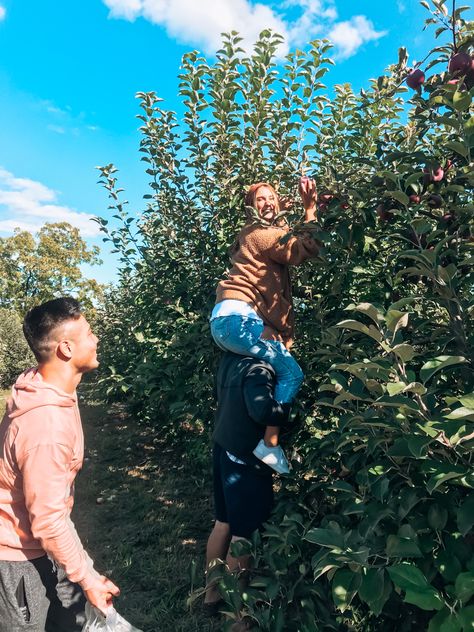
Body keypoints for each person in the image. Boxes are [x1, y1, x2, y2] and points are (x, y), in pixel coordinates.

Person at [0, 297, 119, 632]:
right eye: (90, 333)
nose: (96, 340)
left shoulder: (50, 386)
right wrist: (90, 579)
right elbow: (49, 520)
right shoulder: (46, 425)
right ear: (66, 348)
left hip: (43, 545)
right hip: (17, 557)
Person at [210, 177, 319, 473]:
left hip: (227, 321)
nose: (268, 202)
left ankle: (234, 447)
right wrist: (310, 210)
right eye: (260, 199)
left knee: (255, 373)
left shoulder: (253, 235)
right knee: (292, 373)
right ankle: (269, 445)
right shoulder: (260, 232)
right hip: (239, 320)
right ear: (250, 208)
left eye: (272, 197)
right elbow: (301, 249)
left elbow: (279, 238)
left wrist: (283, 212)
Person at [204, 350, 292, 629]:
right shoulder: (260, 367)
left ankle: (211, 596)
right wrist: (288, 407)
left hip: (223, 448)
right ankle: (237, 616)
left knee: (223, 524)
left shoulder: (232, 359)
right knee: (243, 537)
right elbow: (262, 410)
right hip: (243, 458)